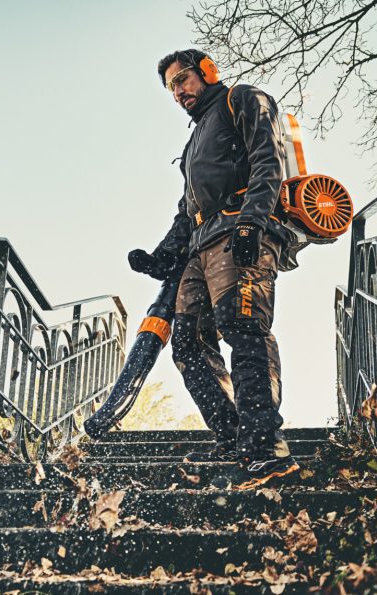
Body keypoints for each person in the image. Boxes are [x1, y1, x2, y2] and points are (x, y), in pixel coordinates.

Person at [127, 48, 299, 490]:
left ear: (207, 72)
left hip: (239, 228)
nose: (178, 91)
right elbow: (187, 210)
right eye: (170, 87)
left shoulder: (240, 100)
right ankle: (233, 435)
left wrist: (254, 222)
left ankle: (265, 446)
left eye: (183, 79)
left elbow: (268, 159)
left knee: (242, 327)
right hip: (200, 246)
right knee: (186, 343)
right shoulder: (194, 141)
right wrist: (163, 255)